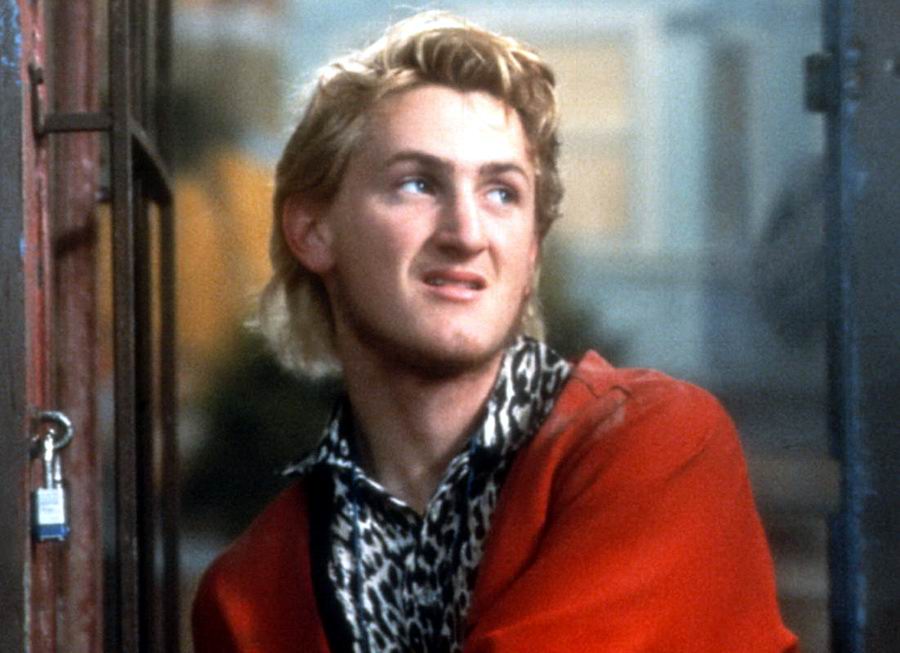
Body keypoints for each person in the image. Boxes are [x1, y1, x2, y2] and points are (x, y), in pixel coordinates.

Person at [192, 12, 797, 653]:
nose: (467, 233)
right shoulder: (246, 595)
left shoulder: (662, 445)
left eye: (502, 193)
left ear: (531, 251)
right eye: (417, 184)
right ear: (314, 231)